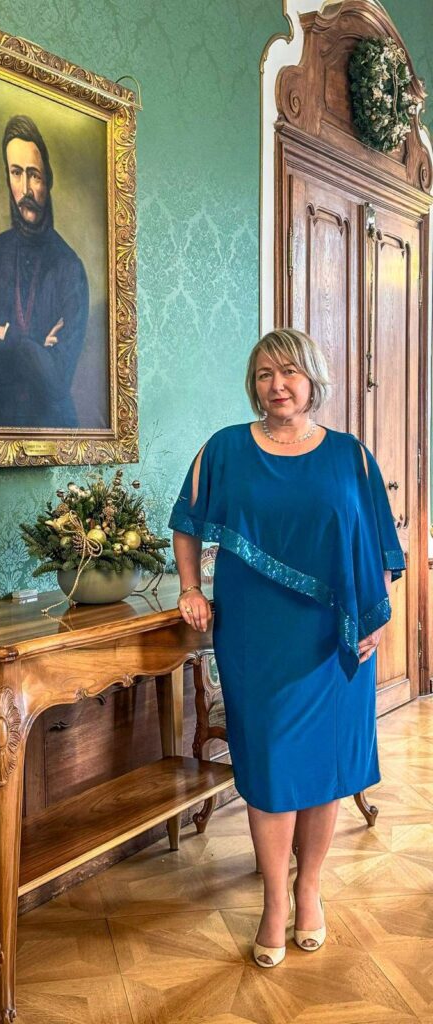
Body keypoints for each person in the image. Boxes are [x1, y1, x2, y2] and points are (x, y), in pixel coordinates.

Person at [169, 328, 405, 968]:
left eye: (291, 373)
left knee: (323, 767)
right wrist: (190, 588)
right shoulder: (223, 450)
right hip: (256, 634)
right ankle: (275, 900)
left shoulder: (349, 456)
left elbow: (378, 542)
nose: (278, 385)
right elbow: (185, 524)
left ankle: (309, 891)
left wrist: (376, 614)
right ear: (255, 383)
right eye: (266, 374)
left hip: (336, 635)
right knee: (271, 770)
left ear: (313, 381)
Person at [0, 115, 89, 428]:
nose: (25, 190)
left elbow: (57, 381)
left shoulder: (69, 267)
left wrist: (5, 337)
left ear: (48, 179)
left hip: (54, 432)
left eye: (34, 175)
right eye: (16, 173)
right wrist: (35, 343)